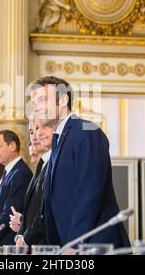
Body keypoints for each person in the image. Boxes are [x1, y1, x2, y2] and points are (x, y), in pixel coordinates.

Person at [29, 76, 131, 251]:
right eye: (33, 102)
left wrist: (75, 244)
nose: (35, 107)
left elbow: (90, 191)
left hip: (94, 245)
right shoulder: (58, 140)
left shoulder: (86, 130)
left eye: (42, 100)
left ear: (62, 100)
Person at [0, 130, 32, 247]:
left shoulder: (21, 173)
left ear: (12, 146)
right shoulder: (7, 173)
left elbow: (9, 212)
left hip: (7, 245)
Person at [10, 119, 53, 248]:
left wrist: (25, 238)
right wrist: (21, 235)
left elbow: (46, 212)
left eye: (39, 128)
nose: (35, 135)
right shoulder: (40, 166)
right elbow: (33, 211)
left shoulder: (55, 164)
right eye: (31, 131)